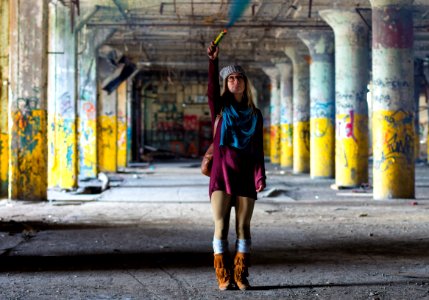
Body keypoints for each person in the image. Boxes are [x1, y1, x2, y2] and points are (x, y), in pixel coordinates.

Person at [206, 42, 266, 291]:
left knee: (244, 227)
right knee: (221, 226)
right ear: (225, 84)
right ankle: (223, 275)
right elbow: (210, 93)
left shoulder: (255, 114)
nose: (235, 82)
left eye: (239, 78)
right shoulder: (220, 108)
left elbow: (259, 149)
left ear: (245, 83)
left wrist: (260, 175)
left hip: (245, 176)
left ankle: (241, 274)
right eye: (230, 78)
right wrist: (213, 62)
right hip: (221, 176)